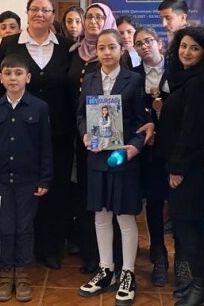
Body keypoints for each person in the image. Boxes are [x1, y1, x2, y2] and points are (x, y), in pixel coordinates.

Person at [0, 0, 73, 270]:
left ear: (53, 15)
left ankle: (51, 248)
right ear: (27, 13)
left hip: (58, 131)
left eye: (46, 10)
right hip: (16, 132)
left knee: (55, 189)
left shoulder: (67, 46)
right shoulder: (9, 44)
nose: (40, 14)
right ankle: (20, 251)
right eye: (35, 9)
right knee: (21, 191)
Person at [158, 26, 204, 306]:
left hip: (189, 168)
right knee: (187, 225)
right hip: (181, 165)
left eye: (194, 48)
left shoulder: (198, 83)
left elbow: (193, 130)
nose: (186, 52)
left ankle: (202, 286)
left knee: (192, 226)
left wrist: (177, 168)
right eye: (183, 46)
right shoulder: (183, 77)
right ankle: (201, 286)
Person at [77, 29, 147, 306]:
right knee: (101, 215)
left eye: (112, 47)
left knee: (124, 217)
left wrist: (134, 147)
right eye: (102, 48)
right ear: (96, 52)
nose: (106, 52)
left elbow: (142, 122)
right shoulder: (90, 79)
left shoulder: (134, 80)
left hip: (122, 158)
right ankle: (106, 269)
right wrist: (85, 134)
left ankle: (127, 272)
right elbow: (81, 115)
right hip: (96, 157)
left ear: (121, 50)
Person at [0, 54, 53, 302]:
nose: (13, 78)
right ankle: (5, 273)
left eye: (18, 73)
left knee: (24, 227)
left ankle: (21, 273)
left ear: (28, 78)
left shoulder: (39, 108)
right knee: (4, 227)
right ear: (0, 78)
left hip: (28, 180)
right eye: (8, 73)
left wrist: (45, 179)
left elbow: (45, 147)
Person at [69, 3, 119, 273]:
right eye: (89, 16)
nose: (93, 21)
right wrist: (83, 132)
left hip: (116, 140)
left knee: (113, 197)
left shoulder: (122, 58)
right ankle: (91, 253)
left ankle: (115, 256)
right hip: (83, 136)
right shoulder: (73, 52)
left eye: (100, 17)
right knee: (88, 194)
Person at [131, 27, 171, 287]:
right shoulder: (133, 76)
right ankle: (159, 254)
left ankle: (184, 259)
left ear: (159, 43)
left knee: (179, 202)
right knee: (154, 201)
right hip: (147, 148)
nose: (144, 46)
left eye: (148, 41)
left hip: (174, 146)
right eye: (139, 44)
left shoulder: (176, 71)